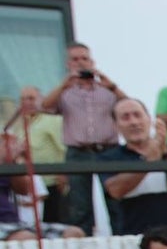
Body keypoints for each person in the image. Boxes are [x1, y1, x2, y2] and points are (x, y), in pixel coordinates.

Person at [41, 42, 127, 234]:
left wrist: (112, 86)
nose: (80, 63)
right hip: (78, 152)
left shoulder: (107, 89)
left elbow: (130, 106)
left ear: (92, 62)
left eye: (84, 58)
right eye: (75, 59)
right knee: (79, 205)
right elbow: (45, 106)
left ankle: (123, 240)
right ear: (67, 64)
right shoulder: (65, 92)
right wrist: (64, 84)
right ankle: (83, 242)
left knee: (116, 201)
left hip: (109, 151)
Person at [100, 98, 167, 236]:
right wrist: (148, 161)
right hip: (133, 236)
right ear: (115, 126)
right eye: (125, 117)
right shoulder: (110, 158)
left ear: (149, 119)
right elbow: (115, 190)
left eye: (137, 115)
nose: (133, 122)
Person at [10, 86, 67, 223]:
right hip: (31, 187)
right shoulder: (19, 126)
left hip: (52, 184)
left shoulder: (52, 120)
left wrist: (64, 174)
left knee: (54, 224)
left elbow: (65, 148)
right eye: (23, 99)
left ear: (41, 100)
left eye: (31, 98)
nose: (26, 102)